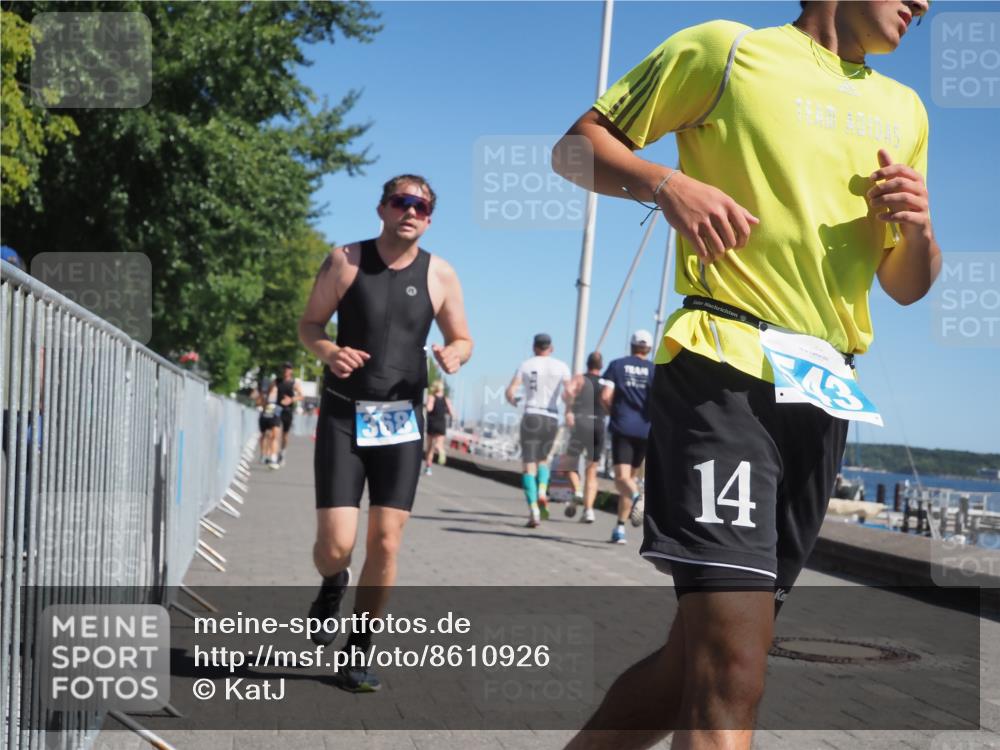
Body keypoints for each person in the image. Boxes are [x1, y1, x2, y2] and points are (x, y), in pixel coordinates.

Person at [553, 0, 937, 746]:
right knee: (733, 671)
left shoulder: (905, 107)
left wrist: (920, 228)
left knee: (694, 664)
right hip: (722, 371)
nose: (924, 2)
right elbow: (574, 150)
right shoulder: (724, 51)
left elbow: (905, 284)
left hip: (825, 392)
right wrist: (666, 184)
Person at [298, 174, 473, 692]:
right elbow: (310, 326)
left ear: (430, 217)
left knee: (387, 542)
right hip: (342, 415)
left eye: (422, 205)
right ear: (382, 208)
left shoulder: (440, 273)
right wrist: (329, 351)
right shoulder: (344, 260)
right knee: (336, 545)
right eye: (402, 201)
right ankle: (333, 581)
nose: (411, 211)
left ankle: (359, 649)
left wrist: (454, 354)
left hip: (400, 423)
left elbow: (463, 337)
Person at [505, 333, 572, 527]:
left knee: (528, 465)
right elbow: (568, 393)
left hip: (531, 415)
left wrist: (513, 400)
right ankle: (543, 490)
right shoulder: (561, 366)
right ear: (551, 348)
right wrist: (568, 411)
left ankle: (534, 510)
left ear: (534, 347)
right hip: (551, 417)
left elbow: (510, 391)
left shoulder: (526, 365)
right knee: (544, 460)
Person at [601, 330, 654, 544]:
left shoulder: (617, 365)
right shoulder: (654, 371)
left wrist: (612, 412)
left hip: (623, 426)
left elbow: (605, 395)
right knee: (629, 479)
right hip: (644, 430)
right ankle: (620, 528)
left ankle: (637, 498)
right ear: (649, 349)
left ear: (631, 345)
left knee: (622, 479)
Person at [562, 351, 608, 524]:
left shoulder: (580, 379)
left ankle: (578, 491)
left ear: (587, 364)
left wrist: (568, 411)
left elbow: (568, 392)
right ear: (601, 366)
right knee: (592, 471)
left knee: (568, 464)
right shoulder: (605, 382)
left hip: (581, 423)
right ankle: (589, 511)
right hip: (598, 425)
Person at [269, 361, 303, 465]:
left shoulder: (294, 383)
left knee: (285, 435)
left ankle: (282, 452)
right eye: (284, 368)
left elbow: (301, 396)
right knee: (274, 433)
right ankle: (273, 457)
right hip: (278, 409)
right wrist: (270, 396)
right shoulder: (277, 381)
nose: (286, 370)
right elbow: (270, 391)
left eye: (288, 368)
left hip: (288, 411)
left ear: (291, 371)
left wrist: (291, 399)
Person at [424, 380, 453, 476]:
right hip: (441, 424)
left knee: (429, 448)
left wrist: (425, 405)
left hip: (432, 423)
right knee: (439, 444)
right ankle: (440, 450)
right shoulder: (446, 399)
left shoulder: (431, 397)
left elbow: (429, 408)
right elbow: (452, 412)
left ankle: (428, 468)